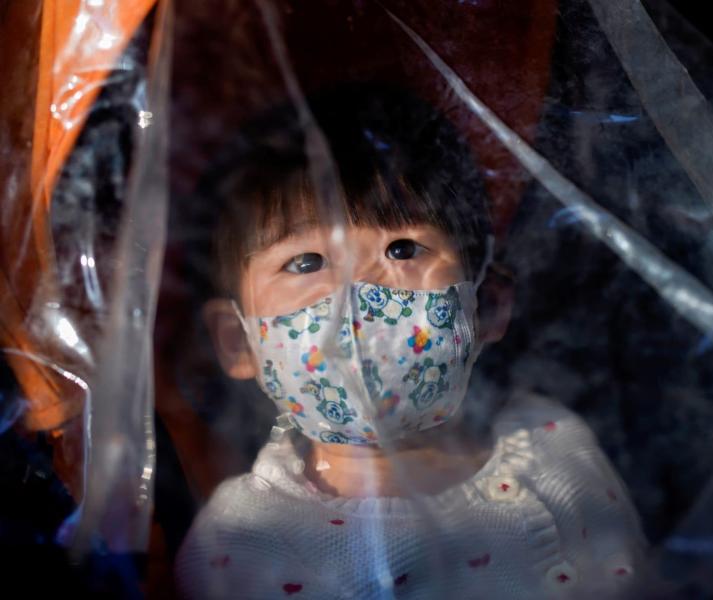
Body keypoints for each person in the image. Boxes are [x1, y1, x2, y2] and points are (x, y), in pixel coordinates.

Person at [174, 85, 644, 599]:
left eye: (402, 249)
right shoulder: (241, 542)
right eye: (305, 263)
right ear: (238, 343)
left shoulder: (553, 441)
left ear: (486, 304)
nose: (357, 296)